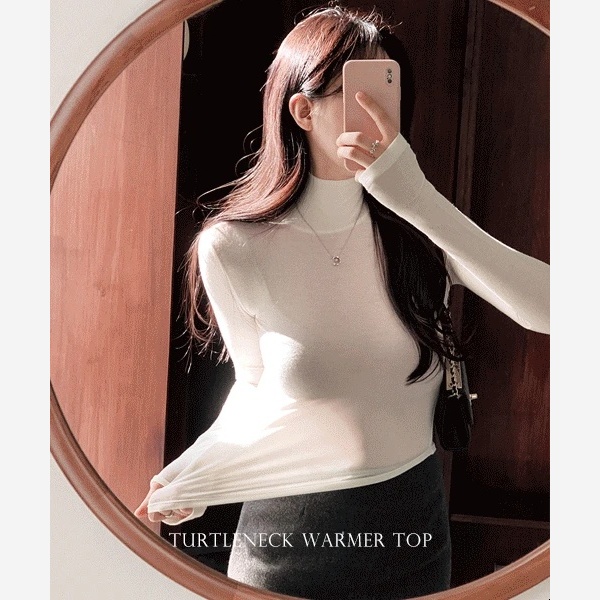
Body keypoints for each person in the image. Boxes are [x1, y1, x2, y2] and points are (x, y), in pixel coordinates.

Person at [134, 5, 549, 599]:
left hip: (411, 524)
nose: (379, 110)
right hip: (286, 534)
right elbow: (254, 385)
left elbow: (558, 312)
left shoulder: (421, 232)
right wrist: (204, 467)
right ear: (302, 111)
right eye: (357, 90)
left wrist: (419, 201)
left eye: (389, 88)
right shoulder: (231, 246)